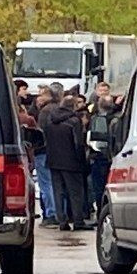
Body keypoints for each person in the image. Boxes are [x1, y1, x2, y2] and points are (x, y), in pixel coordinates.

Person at [40, 86, 91, 232]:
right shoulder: (75, 121)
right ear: (73, 106)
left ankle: (62, 220)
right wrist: (82, 162)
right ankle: (78, 221)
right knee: (75, 192)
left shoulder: (50, 118)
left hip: (53, 160)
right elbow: (78, 143)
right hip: (71, 162)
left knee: (58, 191)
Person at [88, 86, 119, 215]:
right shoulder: (118, 119)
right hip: (114, 158)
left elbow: (95, 141)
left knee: (99, 188)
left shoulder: (96, 120)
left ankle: (102, 213)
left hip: (100, 157)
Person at [31, 85, 58, 227]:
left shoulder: (44, 112)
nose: (38, 97)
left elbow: (40, 133)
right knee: (54, 182)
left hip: (42, 151)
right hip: (56, 151)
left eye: (41, 94)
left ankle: (51, 213)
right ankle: (59, 212)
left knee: (45, 184)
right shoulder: (58, 109)